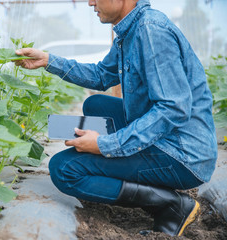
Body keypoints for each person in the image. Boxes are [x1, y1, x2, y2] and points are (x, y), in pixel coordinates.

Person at [14, 0, 218, 236]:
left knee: (64, 169)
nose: (90, 2)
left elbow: (173, 108)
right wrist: (49, 60)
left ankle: (171, 205)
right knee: (95, 104)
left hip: (183, 155)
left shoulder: (151, 31)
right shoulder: (132, 29)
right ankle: (127, 167)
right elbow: (101, 75)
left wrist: (104, 145)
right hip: (170, 137)